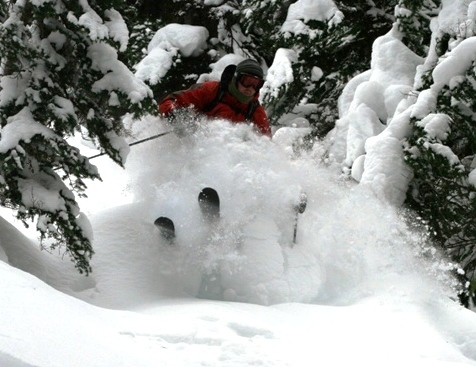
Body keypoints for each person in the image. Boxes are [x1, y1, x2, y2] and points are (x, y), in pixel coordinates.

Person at [158, 59, 271, 137]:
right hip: (195, 144)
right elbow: (170, 101)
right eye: (247, 82)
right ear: (236, 79)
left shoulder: (255, 110)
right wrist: (176, 116)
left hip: (229, 158)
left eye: (256, 84)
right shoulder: (211, 91)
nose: (250, 88)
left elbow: (265, 143)